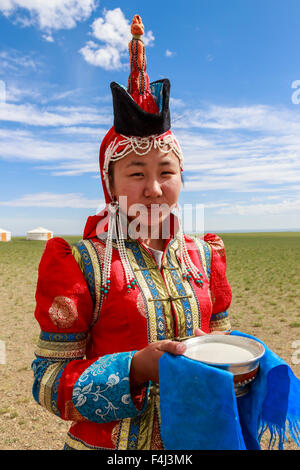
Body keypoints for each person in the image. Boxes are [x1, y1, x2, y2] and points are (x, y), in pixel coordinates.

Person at [31, 15, 232, 450]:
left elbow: (223, 344)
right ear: (111, 184)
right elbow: (47, 384)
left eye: (166, 171)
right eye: (136, 172)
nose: (154, 188)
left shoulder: (203, 256)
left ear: (182, 176)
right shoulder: (82, 264)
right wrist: (135, 369)